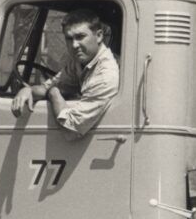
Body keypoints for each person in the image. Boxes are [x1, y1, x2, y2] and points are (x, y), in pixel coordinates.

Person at [12, 8, 119, 137]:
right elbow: (48, 86)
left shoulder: (105, 75)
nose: (74, 45)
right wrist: (27, 90)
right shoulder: (80, 62)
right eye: (69, 38)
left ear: (99, 36)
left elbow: (72, 129)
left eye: (80, 37)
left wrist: (54, 94)